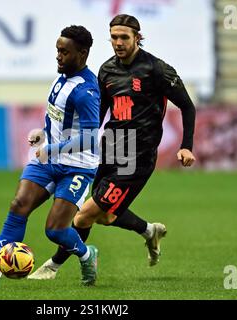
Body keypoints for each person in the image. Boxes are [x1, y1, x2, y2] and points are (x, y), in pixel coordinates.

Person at [28, 14, 196, 280]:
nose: (118, 42)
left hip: (137, 156)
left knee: (84, 216)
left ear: (138, 38)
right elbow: (98, 114)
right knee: (104, 217)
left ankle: (53, 266)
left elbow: (187, 105)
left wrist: (186, 146)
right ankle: (149, 231)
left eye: (124, 37)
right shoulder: (106, 70)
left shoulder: (157, 70)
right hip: (111, 147)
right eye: (114, 37)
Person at [0, 25, 101, 287]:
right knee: (19, 205)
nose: (58, 56)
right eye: (57, 50)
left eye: (65, 52)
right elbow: (56, 118)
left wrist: (52, 149)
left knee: (55, 230)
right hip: (48, 160)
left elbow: (90, 137)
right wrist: (43, 133)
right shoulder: (60, 77)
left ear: (82, 54)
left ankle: (86, 254)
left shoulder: (86, 92)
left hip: (77, 167)